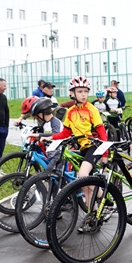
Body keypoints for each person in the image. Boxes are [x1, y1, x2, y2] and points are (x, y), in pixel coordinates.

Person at [39, 76, 108, 218]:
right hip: (82, 148)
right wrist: (49, 137)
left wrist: (105, 154)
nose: (84, 94)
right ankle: (92, 215)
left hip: (94, 146)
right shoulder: (70, 112)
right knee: (85, 187)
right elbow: (65, 133)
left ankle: (103, 194)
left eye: (86, 91)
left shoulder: (91, 109)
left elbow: (102, 133)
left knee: (83, 176)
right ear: (72, 93)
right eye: (80, 91)